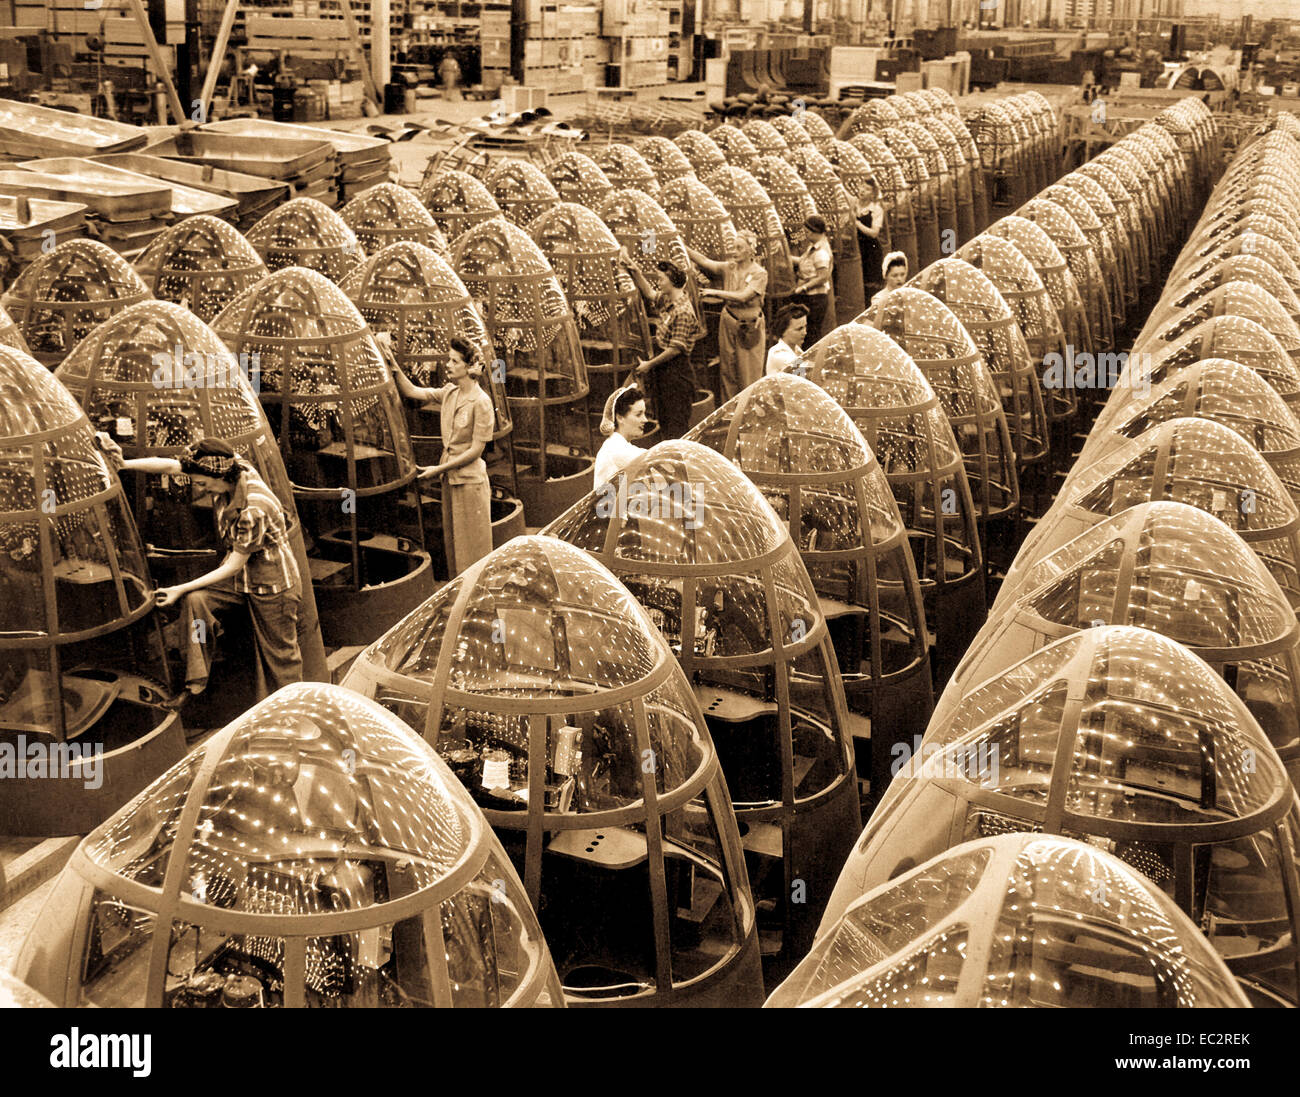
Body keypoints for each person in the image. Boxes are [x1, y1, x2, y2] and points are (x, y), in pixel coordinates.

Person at [98, 436, 304, 708]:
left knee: (281, 659)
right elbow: (170, 466)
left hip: (273, 586)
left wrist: (178, 588)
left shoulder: (254, 509)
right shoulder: (231, 467)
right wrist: (123, 463)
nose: (200, 489)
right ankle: (195, 686)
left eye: (203, 484)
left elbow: (234, 564)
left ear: (218, 477)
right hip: (240, 580)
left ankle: (296, 710)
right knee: (197, 602)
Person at [383, 333, 496, 577]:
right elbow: (412, 391)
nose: (448, 364)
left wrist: (438, 470)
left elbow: (476, 451)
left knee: (474, 551)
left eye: (454, 361)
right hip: (451, 480)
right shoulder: (450, 393)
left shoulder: (482, 402)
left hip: (470, 484)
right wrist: (392, 365)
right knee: (455, 547)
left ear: (469, 367)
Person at [620, 251, 704, 440]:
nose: (658, 282)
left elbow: (675, 349)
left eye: (661, 278)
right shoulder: (668, 300)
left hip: (677, 373)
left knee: (676, 424)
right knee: (665, 420)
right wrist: (635, 271)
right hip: (664, 371)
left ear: (672, 281)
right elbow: (650, 293)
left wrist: (649, 365)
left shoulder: (683, 311)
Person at [688, 230, 768, 400]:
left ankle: (748, 410)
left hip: (749, 325)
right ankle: (729, 411)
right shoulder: (730, 267)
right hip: (728, 320)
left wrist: (715, 292)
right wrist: (681, 244)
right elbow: (704, 261)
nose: (735, 251)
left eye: (739, 248)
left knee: (748, 373)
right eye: (734, 247)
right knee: (728, 370)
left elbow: (744, 296)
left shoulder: (759, 273)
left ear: (750, 250)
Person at [594, 384, 647, 487]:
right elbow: (654, 459)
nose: (645, 419)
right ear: (620, 418)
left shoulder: (620, 444)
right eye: (638, 414)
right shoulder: (616, 448)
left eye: (644, 414)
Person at [793, 213, 835, 343]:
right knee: (810, 334)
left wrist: (804, 287)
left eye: (807, 232)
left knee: (810, 335)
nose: (806, 235)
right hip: (812, 297)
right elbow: (805, 262)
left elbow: (823, 277)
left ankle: (807, 363)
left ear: (814, 231)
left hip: (814, 299)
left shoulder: (821, 251)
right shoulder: (815, 246)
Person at [855, 180, 887, 300]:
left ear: (873, 194)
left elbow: (874, 233)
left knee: (871, 286)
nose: (862, 190)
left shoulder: (876, 209)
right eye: (861, 187)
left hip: (870, 250)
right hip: (856, 248)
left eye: (867, 189)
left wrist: (857, 223)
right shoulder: (853, 205)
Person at [765, 303, 809, 376]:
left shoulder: (797, 350)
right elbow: (802, 373)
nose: (805, 332)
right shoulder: (778, 353)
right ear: (783, 331)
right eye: (799, 329)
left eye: (805, 327)